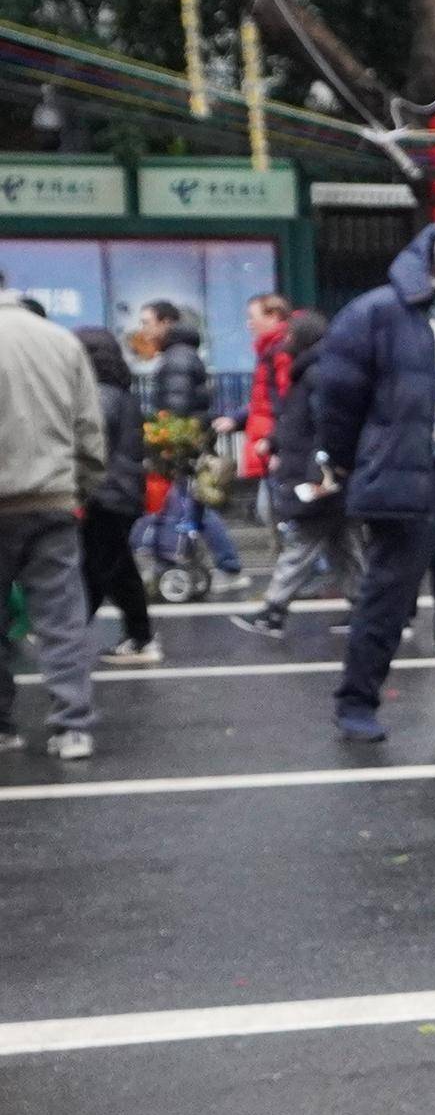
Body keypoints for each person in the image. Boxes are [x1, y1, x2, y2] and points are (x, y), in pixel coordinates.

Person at [310, 217, 435, 743]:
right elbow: (336, 397)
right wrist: (355, 462)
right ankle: (356, 702)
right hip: (408, 477)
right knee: (388, 596)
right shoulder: (380, 312)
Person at [0, 274, 106, 759]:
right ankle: (71, 725)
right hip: (51, 498)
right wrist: (79, 487)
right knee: (61, 617)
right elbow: (88, 426)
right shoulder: (60, 341)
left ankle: (3, 725)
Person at [230, 310, 358, 637]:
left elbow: (321, 425)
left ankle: (273, 610)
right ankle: (371, 611)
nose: (285, 341)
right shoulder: (314, 373)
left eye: (290, 335)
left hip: (315, 476)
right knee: (342, 546)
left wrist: (317, 470)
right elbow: (303, 422)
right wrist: (274, 442)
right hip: (321, 473)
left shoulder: (313, 375)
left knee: (303, 542)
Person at [130, 299, 245, 587]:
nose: (143, 329)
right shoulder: (182, 355)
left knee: (189, 503)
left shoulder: (176, 359)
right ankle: (222, 564)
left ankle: (226, 565)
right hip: (190, 441)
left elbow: (176, 409)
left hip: (182, 446)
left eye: (147, 322)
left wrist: (165, 442)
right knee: (193, 503)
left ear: (166, 323)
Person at [75, 327, 160, 667]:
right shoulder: (119, 392)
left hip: (105, 492)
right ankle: (77, 628)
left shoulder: (100, 395)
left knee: (110, 567)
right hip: (120, 491)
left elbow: (91, 439)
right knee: (104, 565)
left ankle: (139, 636)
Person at [240, 291, 294, 509]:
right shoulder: (270, 351)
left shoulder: (280, 351)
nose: (249, 324)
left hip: (273, 446)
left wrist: (277, 444)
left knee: (275, 511)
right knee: (270, 510)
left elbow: (287, 401)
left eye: (253, 317)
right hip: (270, 443)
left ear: (273, 316)